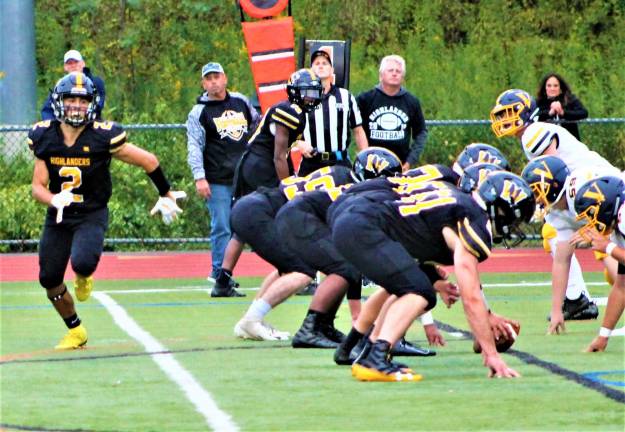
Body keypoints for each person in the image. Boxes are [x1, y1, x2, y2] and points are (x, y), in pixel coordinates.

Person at [29, 72, 185, 350]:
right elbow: (37, 186)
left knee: (83, 263)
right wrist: (54, 200)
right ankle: (76, 331)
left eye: (82, 100)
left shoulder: (102, 136)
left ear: (91, 103)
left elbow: (148, 161)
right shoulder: (45, 136)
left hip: (91, 212)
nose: (76, 105)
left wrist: (166, 193)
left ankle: (84, 275)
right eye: (71, 99)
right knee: (49, 279)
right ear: (59, 102)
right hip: (60, 215)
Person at [329, 171, 534, 381]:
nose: (513, 228)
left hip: (353, 216)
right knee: (419, 292)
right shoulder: (473, 219)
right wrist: (491, 354)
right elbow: (470, 295)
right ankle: (376, 357)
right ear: (500, 209)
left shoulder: (453, 195)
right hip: (363, 224)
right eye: (515, 220)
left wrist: (486, 314)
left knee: (407, 287)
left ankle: (369, 354)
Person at [491, 89, 619, 331]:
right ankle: (575, 299)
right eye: (502, 114)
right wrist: (555, 309)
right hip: (582, 196)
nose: (504, 119)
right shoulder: (557, 205)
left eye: (509, 113)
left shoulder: (533, 132)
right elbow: (562, 258)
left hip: (602, 190)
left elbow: (550, 167)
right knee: (601, 261)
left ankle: (578, 298)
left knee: (612, 256)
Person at [521, 156, 619, 334]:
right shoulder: (557, 214)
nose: (535, 199)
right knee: (615, 275)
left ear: (553, 184)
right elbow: (561, 260)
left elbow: (613, 205)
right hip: (616, 228)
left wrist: (591, 231)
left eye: (537, 192)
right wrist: (557, 310)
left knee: (617, 266)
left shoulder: (580, 187)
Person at [186, 62, 260, 290]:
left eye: (217, 76)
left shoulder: (241, 102)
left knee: (245, 226)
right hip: (216, 179)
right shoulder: (199, 112)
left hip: (244, 178)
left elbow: (258, 125)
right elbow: (194, 146)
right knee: (222, 226)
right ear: (203, 84)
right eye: (208, 78)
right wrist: (199, 176)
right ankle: (219, 272)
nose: (213, 82)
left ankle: (228, 272)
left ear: (225, 78)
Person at [571, 176, 625, 352]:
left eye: (592, 215)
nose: (591, 223)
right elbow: (622, 287)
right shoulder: (618, 227)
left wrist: (608, 247)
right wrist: (603, 336)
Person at [295, 48, 368, 176]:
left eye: (325, 63)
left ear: (332, 70)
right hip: (311, 162)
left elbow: (358, 130)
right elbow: (289, 131)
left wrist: (366, 158)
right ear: (311, 71)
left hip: (339, 161)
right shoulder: (302, 97)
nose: (321, 66)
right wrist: (299, 143)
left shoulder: (346, 96)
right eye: (317, 64)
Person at [357, 54, 427, 170]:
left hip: (400, 165)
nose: (394, 73)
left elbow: (421, 133)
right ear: (381, 75)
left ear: (403, 77)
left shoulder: (411, 101)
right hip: (370, 165)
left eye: (398, 71)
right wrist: (363, 156)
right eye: (390, 70)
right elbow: (353, 128)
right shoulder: (365, 99)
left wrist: (410, 162)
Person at [41, 50, 106, 121]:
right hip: (66, 125)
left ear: (83, 64)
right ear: (65, 67)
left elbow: (98, 106)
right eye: (69, 63)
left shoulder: (95, 82)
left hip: (91, 124)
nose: (73, 66)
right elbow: (48, 109)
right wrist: (53, 126)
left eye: (76, 62)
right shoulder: (61, 85)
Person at [536, 73, 588, 140]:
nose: (552, 88)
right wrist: (549, 113)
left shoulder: (570, 99)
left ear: (560, 88)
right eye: (549, 86)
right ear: (545, 88)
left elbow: (584, 113)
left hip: (570, 141)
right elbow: (533, 117)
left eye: (555, 86)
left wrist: (563, 113)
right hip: (547, 143)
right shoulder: (539, 102)